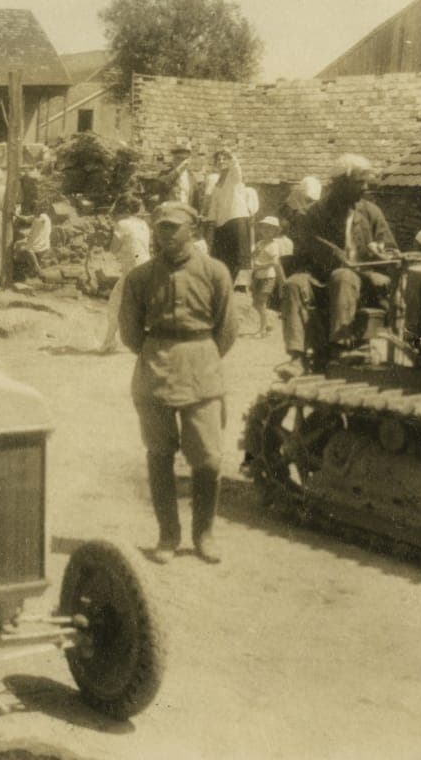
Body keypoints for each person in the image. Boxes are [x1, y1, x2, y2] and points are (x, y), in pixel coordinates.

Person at [119, 201, 238, 564]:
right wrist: (160, 351)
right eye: (160, 227)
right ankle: (168, 535)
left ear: (193, 230)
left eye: (173, 227)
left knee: (208, 458)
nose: (164, 233)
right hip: (155, 368)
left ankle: (204, 534)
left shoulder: (215, 272)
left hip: (201, 367)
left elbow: (227, 330)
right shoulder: (140, 277)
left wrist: (198, 354)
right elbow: (130, 333)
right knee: (159, 455)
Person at [277, 154, 396, 379]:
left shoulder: (371, 212)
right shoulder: (315, 213)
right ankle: (297, 357)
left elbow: (389, 248)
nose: (365, 187)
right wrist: (327, 255)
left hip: (361, 281)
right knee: (293, 284)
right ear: (341, 182)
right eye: (359, 182)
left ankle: (340, 347)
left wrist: (382, 253)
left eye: (366, 182)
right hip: (320, 276)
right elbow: (306, 248)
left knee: (343, 276)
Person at [100, 196, 151, 353]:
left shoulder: (122, 224)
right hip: (147, 267)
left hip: (132, 270)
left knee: (115, 306)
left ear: (124, 210)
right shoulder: (143, 224)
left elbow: (114, 249)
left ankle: (109, 342)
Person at [206, 150, 254, 282]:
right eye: (218, 160)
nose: (221, 161)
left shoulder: (233, 176)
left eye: (224, 159)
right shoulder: (216, 182)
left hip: (236, 220)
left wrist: (231, 155)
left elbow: (236, 168)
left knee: (235, 260)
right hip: (222, 224)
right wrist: (211, 222)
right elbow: (214, 206)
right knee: (221, 258)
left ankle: (229, 287)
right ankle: (224, 287)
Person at [251, 216, 286, 338]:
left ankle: (262, 330)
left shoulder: (273, 245)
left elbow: (275, 263)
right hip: (257, 276)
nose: (266, 231)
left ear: (275, 232)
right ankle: (268, 322)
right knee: (255, 303)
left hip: (268, 277)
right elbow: (253, 258)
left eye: (270, 229)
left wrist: (259, 265)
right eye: (264, 228)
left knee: (262, 302)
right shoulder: (260, 243)